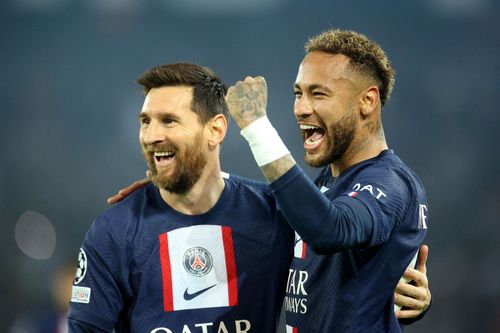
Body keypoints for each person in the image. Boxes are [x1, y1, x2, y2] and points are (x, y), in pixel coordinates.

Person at [224, 28, 429, 332]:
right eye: (298, 93)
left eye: (318, 93)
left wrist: (258, 129)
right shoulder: (332, 182)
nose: (301, 108)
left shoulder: (390, 182)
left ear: (367, 101)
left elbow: (332, 230)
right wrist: (184, 183)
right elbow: (276, 201)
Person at [67, 63, 294, 332]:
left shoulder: (273, 215)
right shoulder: (114, 232)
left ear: (216, 130)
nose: (151, 136)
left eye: (169, 121)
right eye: (145, 122)